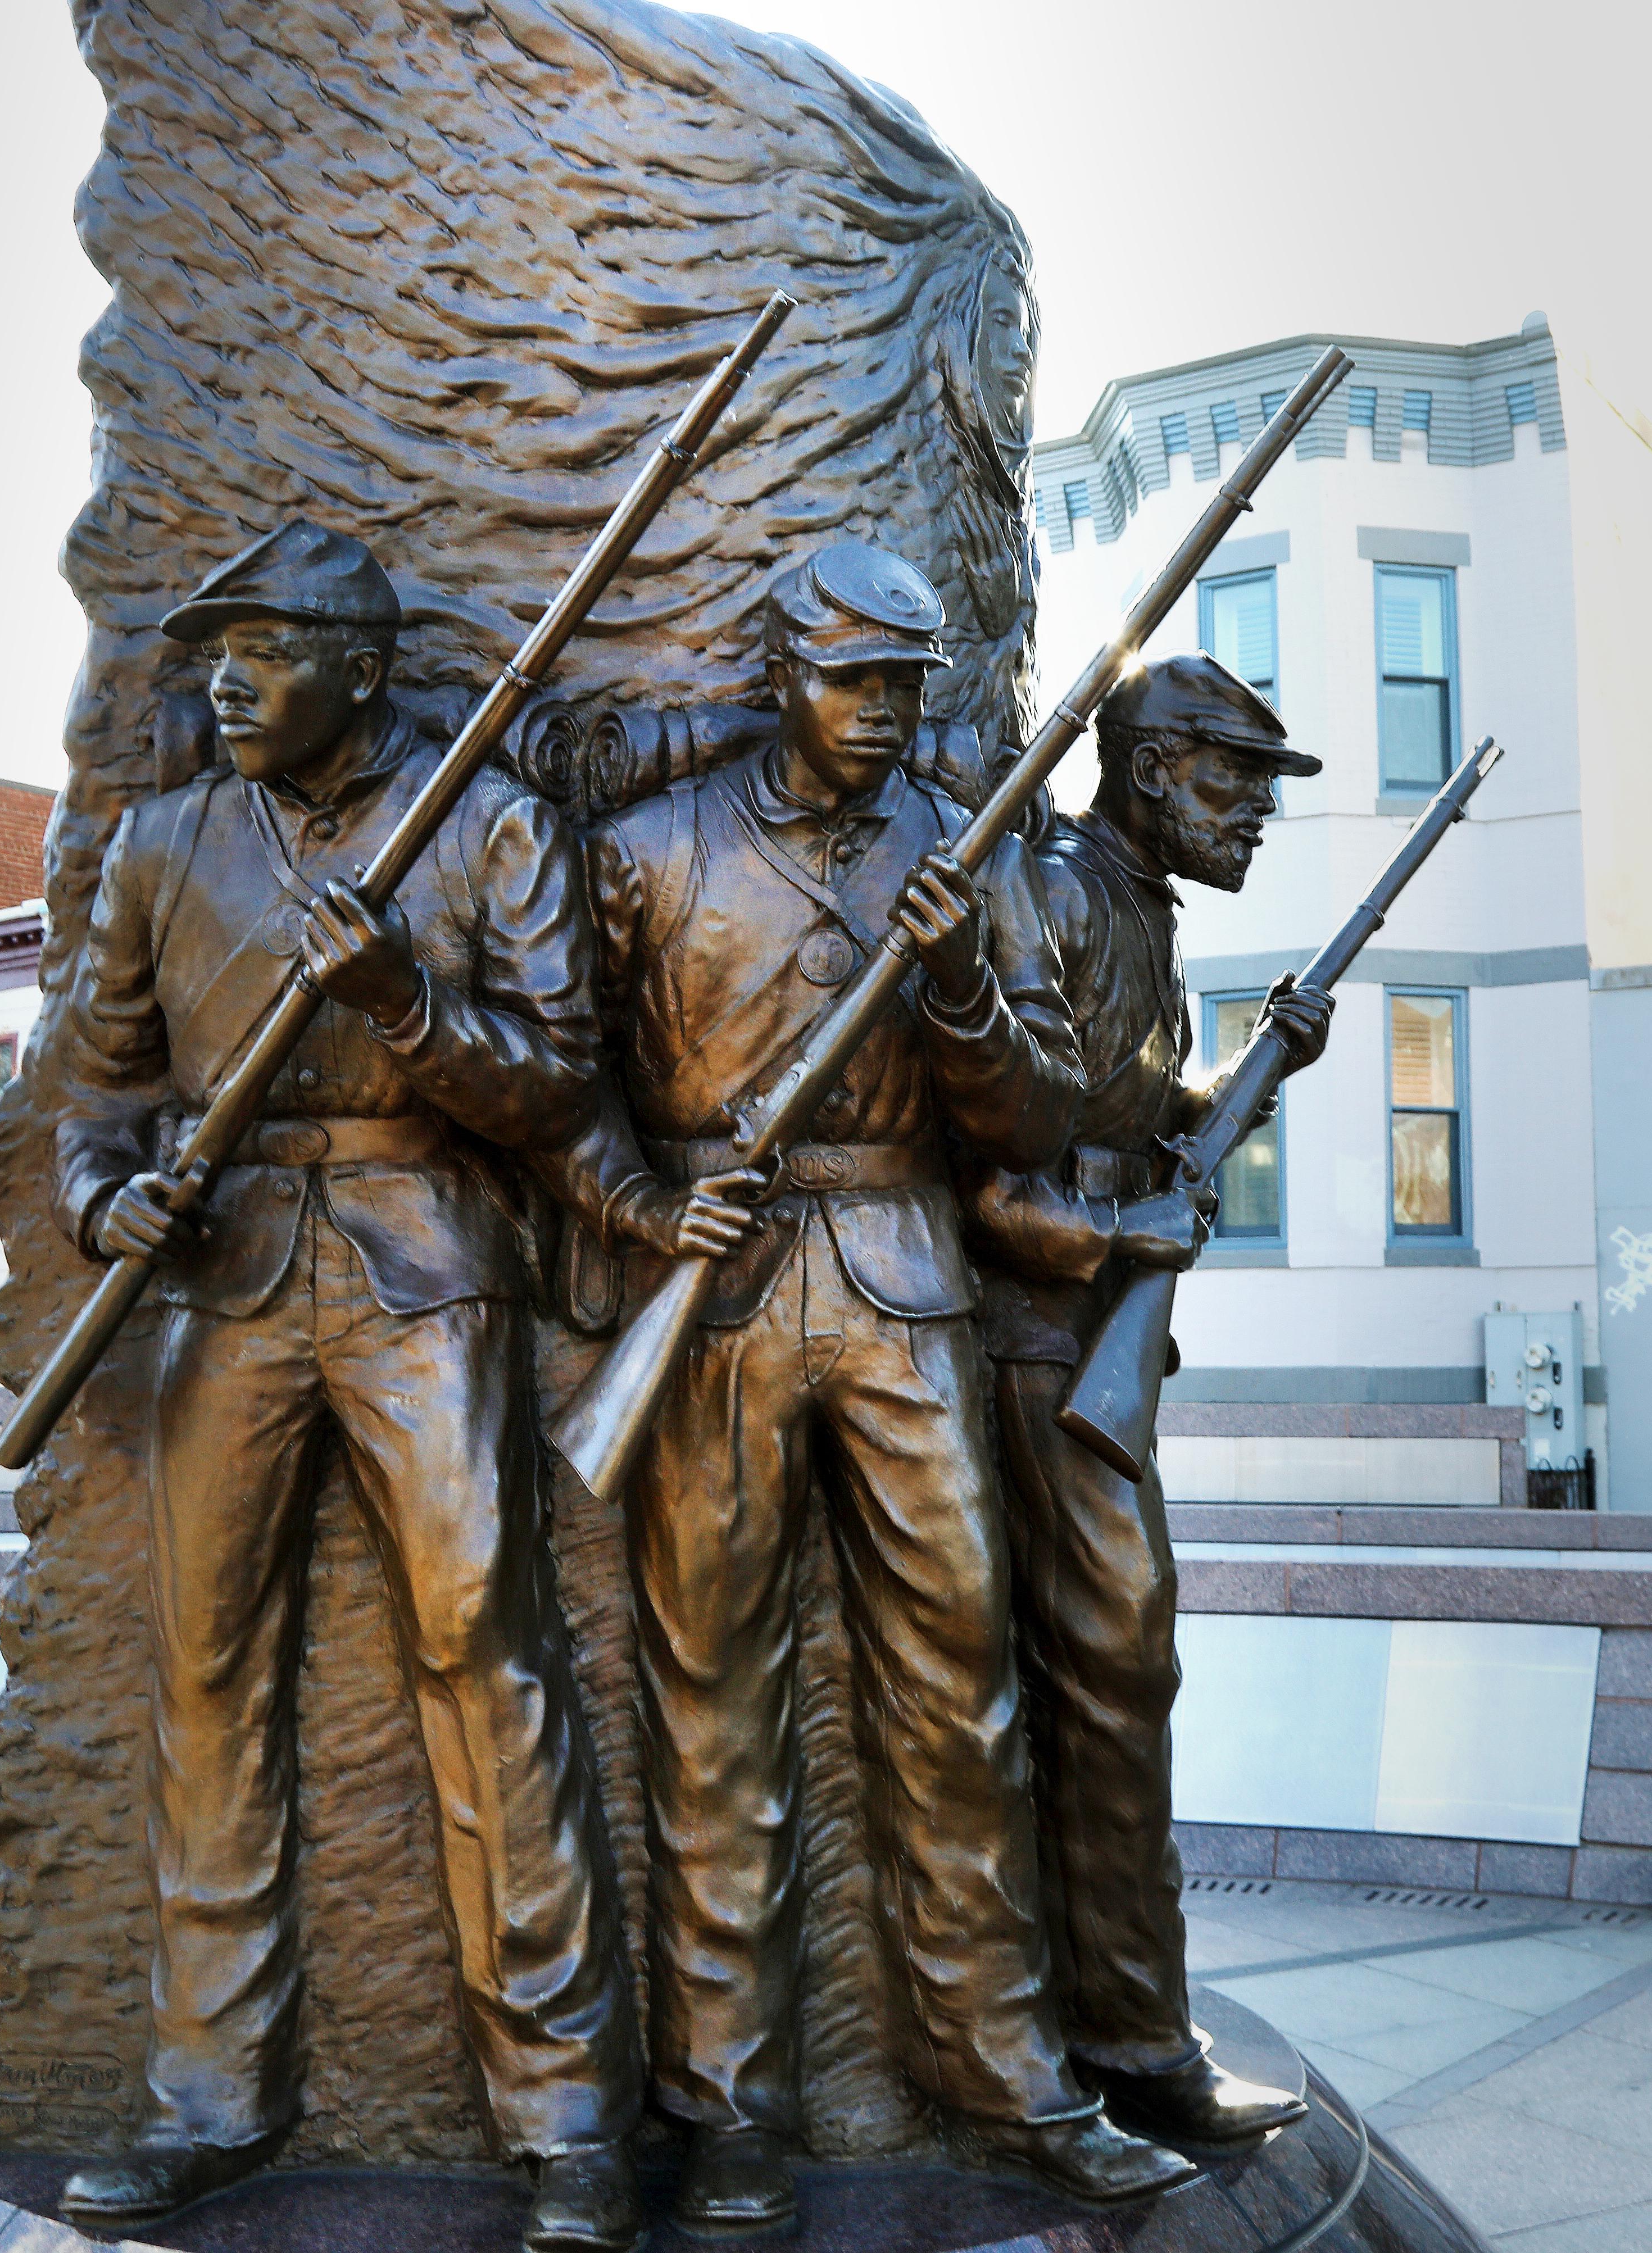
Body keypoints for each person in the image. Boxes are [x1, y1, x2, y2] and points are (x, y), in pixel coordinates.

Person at [542, 542, 1201, 2230]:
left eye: (908, 685)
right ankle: (727, 2104)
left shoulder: (950, 848)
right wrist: (638, 1205)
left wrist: (965, 989)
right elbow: (563, 1089)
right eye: (856, 681)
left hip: (907, 1284)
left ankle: (1012, 2067)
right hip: (726, 1286)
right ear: (783, 671)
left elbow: (1030, 1119)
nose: (888, 714)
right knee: (714, 1709)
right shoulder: (647, 854)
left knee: (964, 1685)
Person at [48, 523, 641, 2253]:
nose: (229, 672)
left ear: (366, 667)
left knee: (489, 1661)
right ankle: (205, 2100)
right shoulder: (162, 847)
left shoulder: (493, 819)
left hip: (427, 1261)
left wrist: (406, 998)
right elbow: (96, 1091)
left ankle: (569, 2119)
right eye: (217, 643)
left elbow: (557, 1090)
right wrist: (110, 1196)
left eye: (271, 643)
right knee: (207, 1678)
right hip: (226, 1278)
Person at [964, 653, 1331, 2150]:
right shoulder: (1056, 897)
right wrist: (1115, 1238)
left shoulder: (1134, 913)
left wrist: (1251, 1073)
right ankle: (1123, 2036)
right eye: (1236, 783)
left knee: (1111, 1682)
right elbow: (987, 1169)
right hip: (1040, 1341)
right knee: (1109, 1679)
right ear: (1154, 764)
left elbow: (1124, 1114)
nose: (1253, 818)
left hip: (1087, 1334)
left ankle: (1109, 2016)